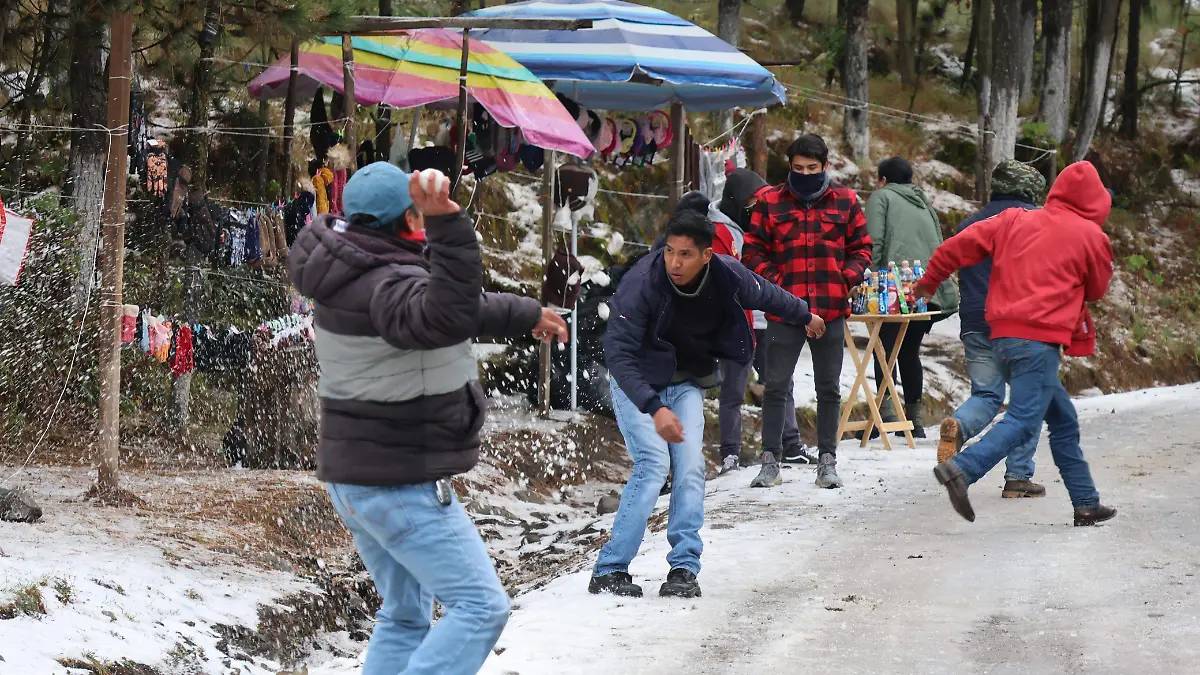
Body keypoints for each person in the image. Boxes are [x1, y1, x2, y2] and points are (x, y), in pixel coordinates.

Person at [289, 162, 568, 675]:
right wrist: (449, 225)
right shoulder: (385, 280)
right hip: (399, 481)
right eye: (418, 216)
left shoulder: (352, 267)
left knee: (405, 614)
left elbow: (442, 308)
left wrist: (524, 313)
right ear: (406, 221)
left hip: (358, 476)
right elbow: (442, 311)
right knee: (483, 607)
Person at [589, 209, 821, 599]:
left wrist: (806, 314)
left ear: (707, 255)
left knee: (691, 467)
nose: (674, 263)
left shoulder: (728, 274)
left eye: (685, 255)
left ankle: (683, 568)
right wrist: (653, 407)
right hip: (637, 384)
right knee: (653, 465)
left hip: (685, 385)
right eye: (670, 252)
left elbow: (766, 293)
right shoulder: (642, 282)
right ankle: (609, 569)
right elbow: (618, 353)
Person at [915, 160, 1117, 527]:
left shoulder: (1012, 220)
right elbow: (1098, 289)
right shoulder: (1091, 236)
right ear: (1095, 203)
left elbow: (957, 247)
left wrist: (930, 281)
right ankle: (962, 468)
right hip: (1038, 342)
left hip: (1000, 337)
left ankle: (1087, 503)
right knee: (1024, 419)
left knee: (1063, 420)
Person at [742, 134, 873, 489]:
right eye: (798, 168)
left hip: (830, 309)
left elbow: (863, 249)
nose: (804, 173)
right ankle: (770, 461)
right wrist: (778, 285)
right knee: (775, 386)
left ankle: (827, 460)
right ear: (789, 167)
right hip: (785, 311)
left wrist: (844, 278)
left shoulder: (846, 201)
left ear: (825, 167)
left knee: (828, 387)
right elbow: (752, 253)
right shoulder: (769, 201)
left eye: (811, 168)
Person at [937, 159, 1048, 499]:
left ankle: (960, 425)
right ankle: (1017, 477)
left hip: (975, 320)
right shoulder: (1039, 223)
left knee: (987, 395)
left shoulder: (969, 223)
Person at [863, 156, 959, 438]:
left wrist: (867, 279)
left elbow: (874, 243)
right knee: (908, 351)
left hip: (894, 289)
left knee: (885, 351)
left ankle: (888, 415)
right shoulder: (924, 203)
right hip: (926, 288)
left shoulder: (881, 198)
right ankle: (914, 421)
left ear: (882, 180)